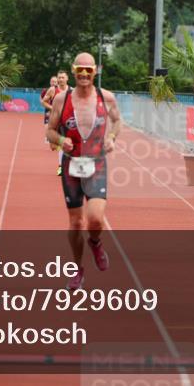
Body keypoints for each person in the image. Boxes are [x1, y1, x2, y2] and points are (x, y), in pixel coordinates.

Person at [45, 53, 122, 290]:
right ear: (74, 70)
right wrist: (60, 140)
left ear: (95, 72)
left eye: (89, 70)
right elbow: (50, 130)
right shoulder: (61, 99)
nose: (85, 74)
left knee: (96, 219)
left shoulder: (106, 97)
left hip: (96, 164)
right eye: (81, 70)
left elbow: (117, 122)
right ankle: (78, 269)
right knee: (76, 222)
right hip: (71, 165)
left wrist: (111, 137)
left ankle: (96, 242)